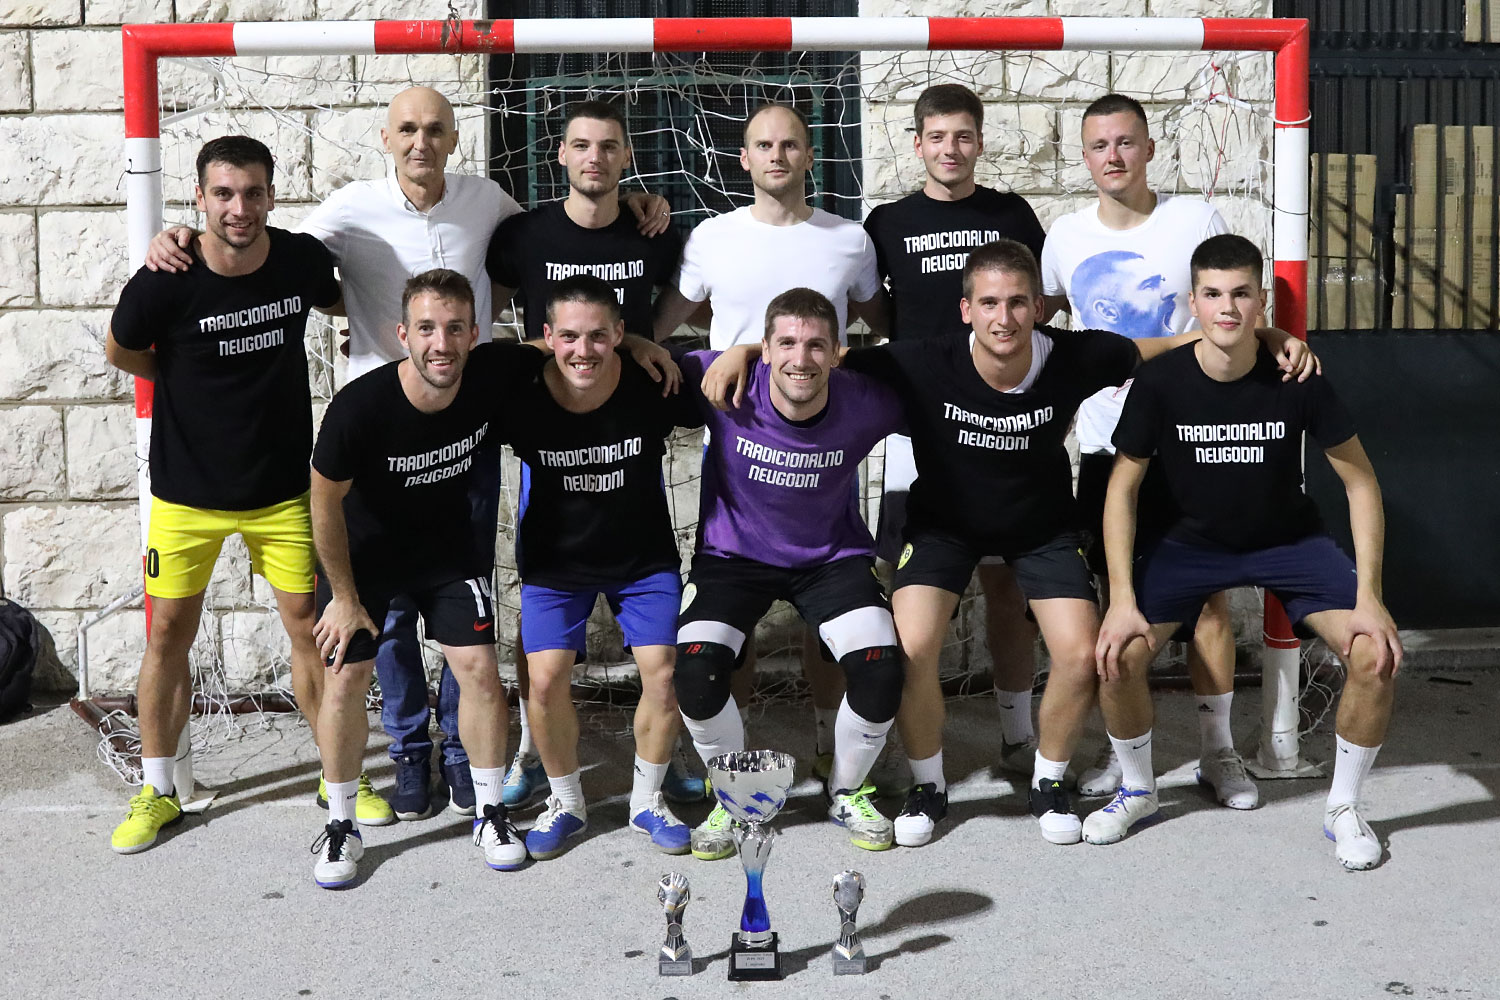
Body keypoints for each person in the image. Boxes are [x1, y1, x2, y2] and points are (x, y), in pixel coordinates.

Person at [144, 87, 671, 822]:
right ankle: (409, 751)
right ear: (386, 139)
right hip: (378, 438)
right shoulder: (349, 209)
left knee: (464, 603)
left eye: (435, 129)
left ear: (454, 138)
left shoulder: (489, 203)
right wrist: (182, 233)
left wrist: (636, 225)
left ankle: (462, 754)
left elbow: (561, 235)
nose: (421, 141)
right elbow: (267, 250)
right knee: (380, 616)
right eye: (408, 129)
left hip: (465, 430)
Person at [702, 239, 1315, 849]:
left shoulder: (1074, 356)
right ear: (966, 310)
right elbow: (819, 355)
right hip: (943, 527)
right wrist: (745, 350)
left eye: (1018, 302)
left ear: (1038, 309)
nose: (1004, 317)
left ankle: (1048, 783)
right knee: (910, 648)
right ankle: (928, 786)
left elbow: (1165, 346)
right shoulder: (923, 360)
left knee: (1080, 653)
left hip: (1041, 528)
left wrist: (1264, 335)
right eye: (990, 303)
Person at [1093, 234, 1400, 870]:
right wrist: (1121, 599)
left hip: (1287, 541)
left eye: (1240, 294)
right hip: (1189, 545)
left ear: (1261, 302)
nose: (1226, 308)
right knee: (1117, 655)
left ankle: (1343, 808)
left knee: (1375, 654)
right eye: (1212, 294)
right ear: (1193, 303)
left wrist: (1369, 595)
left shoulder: (1297, 376)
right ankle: (1139, 790)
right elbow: (1121, 489)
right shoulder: (1160, 381)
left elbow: (1361, 482)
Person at [105, 136, 344, 854]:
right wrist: (180, 375)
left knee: (309, 630)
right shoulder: (166, 277)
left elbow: (343, 299)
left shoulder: (300, 261)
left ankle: (338, 781)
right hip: (186, 495)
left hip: (282, 491)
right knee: (167, 636)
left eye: (252, 193)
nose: (239, 208)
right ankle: (158, 789)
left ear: (272, 195)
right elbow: (120, 349)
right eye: (223, 193)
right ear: (200, 197)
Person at [654, 102, 888, 778]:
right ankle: (738, 761)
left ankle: (829, 742)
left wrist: (754, 347)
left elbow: (880, 328)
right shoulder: (713, 238)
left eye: (790, 144)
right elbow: (659, 327)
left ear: (811, 156)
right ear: (744, 159)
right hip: (739, 450)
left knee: (830, 622)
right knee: (733, 630)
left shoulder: (848, 239)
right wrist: (720, 354)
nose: (777, 155)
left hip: (821, 453)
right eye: (763, 145)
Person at [485, 99, 698, 810]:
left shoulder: (653, 231)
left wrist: (642, 340)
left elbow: (676, 306)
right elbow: (494, 313)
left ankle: (668, 751)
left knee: (659, 647)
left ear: (627, 156)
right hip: (552, 424)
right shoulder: (523, 234)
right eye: (581, 145)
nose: (594, 158)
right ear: (560, 154)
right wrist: (567, 348)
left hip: (626, 420)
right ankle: (531, 746)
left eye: (608, 146)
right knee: (543, 624)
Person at [1040, 92, 1249, 807]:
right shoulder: (1065, 238)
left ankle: (1219, 754)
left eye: (1126, 142)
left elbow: (1233, 312)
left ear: (1150, 148)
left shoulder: (1193, 221)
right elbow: (1044, 334)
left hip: (1194, 447)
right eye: (1099, 145)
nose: (1114, 156)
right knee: (1114, 610)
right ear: (1084, 157)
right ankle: (1122, 751)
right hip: (1108, 452)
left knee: (1210, 604)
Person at [307, 269, 530, 887]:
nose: (441, 343)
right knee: (345, 677)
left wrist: (637, 342)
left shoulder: (490, 374)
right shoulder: (360, 408)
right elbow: (322, 502)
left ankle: (491, 814)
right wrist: (344, 597)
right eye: (427, 328)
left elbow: (558, 345)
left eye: (455, 328)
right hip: (364, 563)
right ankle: (340, 825)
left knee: (480, 671)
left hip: (447, 556)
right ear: (403, 335)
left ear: (475, 334)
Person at [674, 288, 907, 858]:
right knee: (697, 668)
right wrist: (730, 351)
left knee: (880, 666)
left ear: (837, 352)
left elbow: (943, 386)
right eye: (786, 344)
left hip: (830, 560)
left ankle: (845, 790)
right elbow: (634, 364)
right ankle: (734, 796)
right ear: (765, 348)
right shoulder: (723, 379)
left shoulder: (868, 399)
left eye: (816, 346)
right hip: (732, 558)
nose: (800, 359)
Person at [862, 83, 1048, 779]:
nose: (950, 149)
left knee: (1007, 590)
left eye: (963, 136)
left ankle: (1018, 736)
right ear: (917, 144)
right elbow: (877, 312)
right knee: (910, 591)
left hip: (1001, 426)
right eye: (937, 137)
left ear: (980, 141)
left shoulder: (1011, 215)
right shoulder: (886, 223)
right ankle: (905, 740)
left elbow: (1040, 302)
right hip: (916, 430)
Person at [491, 275, 702, 860]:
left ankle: (646, 801)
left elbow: (728, 395)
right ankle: (567, 803)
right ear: (546, 336)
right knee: (544, 680)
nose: (582, 350)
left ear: (619, 334)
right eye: (568, 337)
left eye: (598, 336)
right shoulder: (518, 392)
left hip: (642, 561)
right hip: (556, 565)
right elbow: (464, 371)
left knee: (665, 674)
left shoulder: (652, 381)